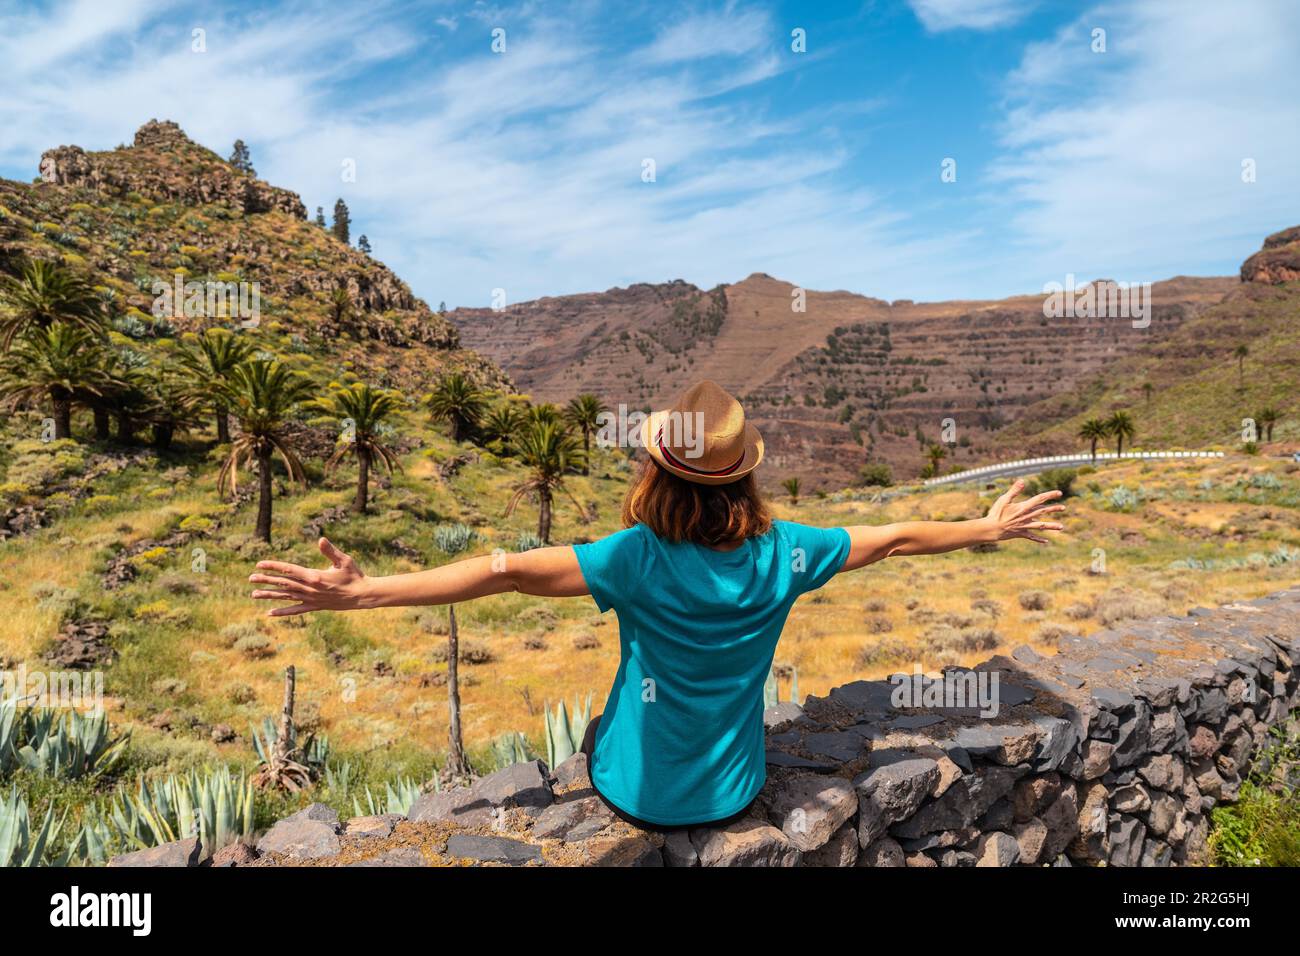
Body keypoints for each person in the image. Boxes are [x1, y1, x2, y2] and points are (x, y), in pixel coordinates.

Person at [249, 380, 1065, 830]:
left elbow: (503, 573)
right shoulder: (789, 551)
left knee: (607, 725)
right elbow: (890, 537)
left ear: (655, 475)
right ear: (744, 475)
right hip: (737, 793)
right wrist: (983, 529)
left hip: (634, 795)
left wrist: (362, 594)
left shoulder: (631, 559)